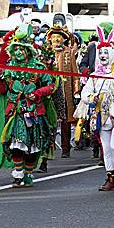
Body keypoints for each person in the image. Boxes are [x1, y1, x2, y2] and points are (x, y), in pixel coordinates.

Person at [0, 25, 57, 187]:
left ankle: (28, 174)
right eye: (15, 49)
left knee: (33, 146)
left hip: (34, 112)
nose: (18, 52)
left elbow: (50, 86)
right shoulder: (8, 69)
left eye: (22, 49)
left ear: (29, 51)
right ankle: (18, 174)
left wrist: (37, 93)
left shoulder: (39, 67)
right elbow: (1, 89)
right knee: (15, 144)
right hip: (15, 112)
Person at [77, 27, 114, 192]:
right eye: (100, 53)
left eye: (105, 52)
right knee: (106, 147)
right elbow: (85, 93)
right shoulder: (95, 74)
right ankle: (110, 177)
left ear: (111, 53)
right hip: (101, 116)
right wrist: (91, 98)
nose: (103, 55)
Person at [48, 25, 81, 159]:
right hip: (50, 91)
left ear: (63, 39)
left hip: (65, 90)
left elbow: (75, 74)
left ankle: (65, 147)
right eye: (53, 37)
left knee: (66, 121)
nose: (56, 39)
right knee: (49, 119)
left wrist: (76, 90)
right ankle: (48, 147)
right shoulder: (47, 52)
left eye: (58, 37)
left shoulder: (69, 52)